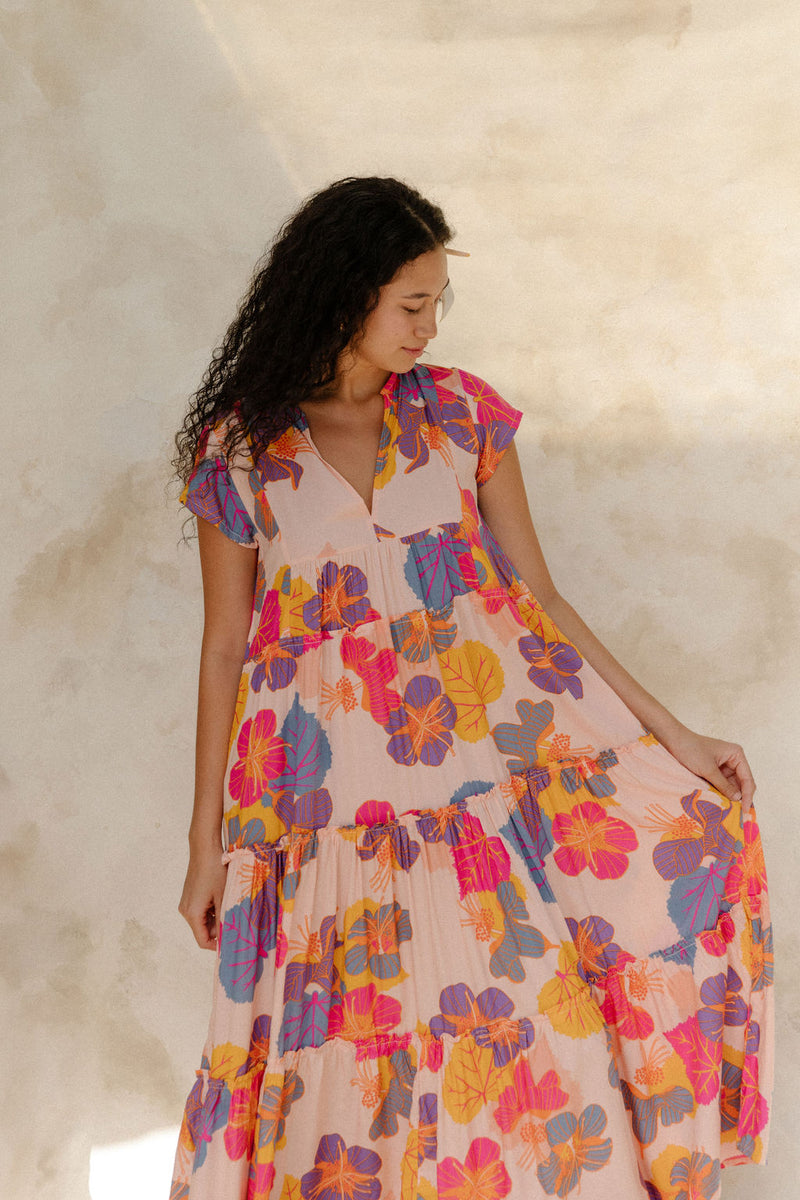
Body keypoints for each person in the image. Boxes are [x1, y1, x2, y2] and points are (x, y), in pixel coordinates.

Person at [170, 176, 773, 1199]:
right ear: (343, 293)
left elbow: (535, 597)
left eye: (436, 301)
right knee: (349, 1057)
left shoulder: (458, 416)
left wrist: (670, 735)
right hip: (323, 810)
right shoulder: (242, 452)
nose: (428, 324)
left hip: (476, 791)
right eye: (411, 302)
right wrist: (205, 842)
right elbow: (225, 646)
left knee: (519, 1028)